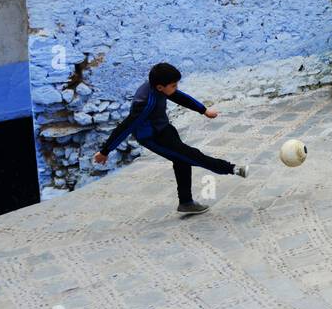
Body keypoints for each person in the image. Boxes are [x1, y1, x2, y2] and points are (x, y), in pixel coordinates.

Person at [93, 62, 246, 215]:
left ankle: (186, 203)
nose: (176, 88)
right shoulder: (145, 103)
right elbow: (125, 127)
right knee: (192, 155)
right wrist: (105, 151)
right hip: (152, 137)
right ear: (160, 87)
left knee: (182, 160)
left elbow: (179, 97)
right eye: (173, 85)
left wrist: (203, 110)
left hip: (164, 129)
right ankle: (232, 168)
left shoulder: (158, 87)